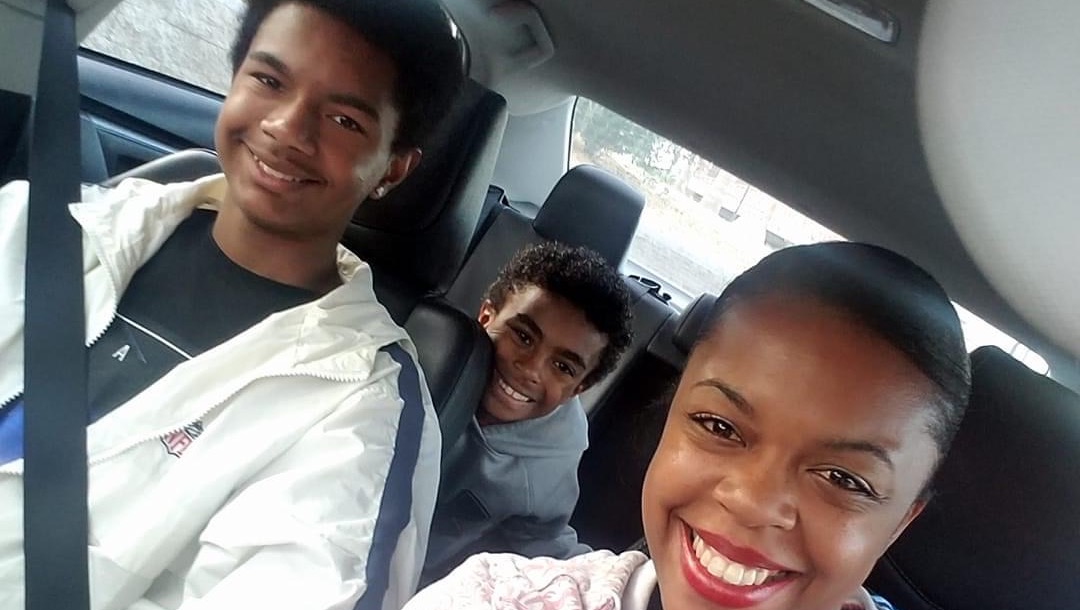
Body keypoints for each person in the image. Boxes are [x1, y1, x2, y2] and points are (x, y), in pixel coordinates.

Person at [0, 1, 463, 608]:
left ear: (392, 169)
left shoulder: (361, 414)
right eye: (268, 80)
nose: (287, 128)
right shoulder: (51, 222)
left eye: (343, 120)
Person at [403, 241, 971, 610]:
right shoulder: (499, 597)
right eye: (718, 426)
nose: (751, 501)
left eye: (844, 479)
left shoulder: (549, 471)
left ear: (898, 525)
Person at [421, 242, 634, 584]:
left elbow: (548, 545)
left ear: (578, 388)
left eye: (562, 367)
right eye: (523, 336)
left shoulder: (548, 468)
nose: (531, 369)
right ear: (486, 316)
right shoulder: (429, 352)